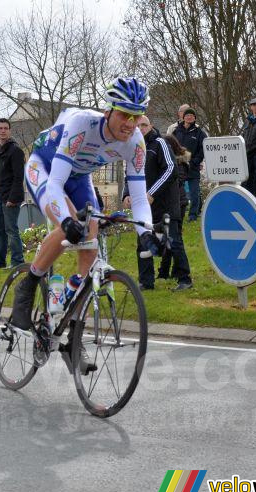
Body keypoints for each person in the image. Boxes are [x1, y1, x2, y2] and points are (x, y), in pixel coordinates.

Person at [13, 77, 162, 373]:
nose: (130, 123)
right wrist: (67, 220)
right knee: (69, 225)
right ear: (109, 111)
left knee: (90, 242)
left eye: (137, 116)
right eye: (124, 114)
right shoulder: (83, 124)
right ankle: (27, 285)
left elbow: (139, 197)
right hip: (45, 168)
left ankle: (72, 335)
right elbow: (55, 185)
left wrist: (147, 233)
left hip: (79, 177)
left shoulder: (136, 143)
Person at [123, 115, 192, 291]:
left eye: (144, 125)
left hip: (166, 203)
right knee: (143, 242)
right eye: (137, 126)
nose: (141, 129)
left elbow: (171, 169)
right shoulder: (133, 147)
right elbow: (129, 174)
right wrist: (127, 194)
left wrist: (152, 193)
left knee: (173, 241)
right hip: (144, 206)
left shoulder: (160, 143)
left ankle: (185, 279)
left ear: (151, 126)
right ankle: (146, 281)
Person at [0, 118, 26, 269]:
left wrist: (13, 198)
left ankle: (17, 261)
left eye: (5, 128)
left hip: (10, 198)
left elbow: (18, 177)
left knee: (11, 230)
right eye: (0, 128)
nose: (3, 131)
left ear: (9, 131)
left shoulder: (15, 151)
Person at [158, 134, 192, 282]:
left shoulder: (179, 164)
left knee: (173, 237)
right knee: (170, 237)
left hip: (177, 203)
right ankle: (167, 271)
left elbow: (177, 182)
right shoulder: (175, 162)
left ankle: (175, 271)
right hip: (174, 202)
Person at [173, 107, 208, 221]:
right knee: (178, 192)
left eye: (192, 116)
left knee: (194, 193)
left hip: (193, 166)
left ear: (195, 118)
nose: (189, 117)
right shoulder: (176, 131)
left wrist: (196, 161)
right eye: (187, 115)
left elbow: (203, 149)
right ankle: (178, 214)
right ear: (183, 117)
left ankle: (193, 215)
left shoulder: (199, 133)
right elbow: (171, 145)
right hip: (179, 166)